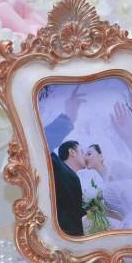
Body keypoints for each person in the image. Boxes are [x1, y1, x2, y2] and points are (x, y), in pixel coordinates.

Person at [43, 86, 87, 237]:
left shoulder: (71, 176)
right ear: (72, 152)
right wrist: (69, 116)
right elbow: (41, 144)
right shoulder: (54, 164)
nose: (85, 156)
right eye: (82, 152)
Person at [82, 141, 132, 231]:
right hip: (131, 222)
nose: (85, 158)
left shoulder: (116, 166)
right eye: (85, 155)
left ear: (101, 156)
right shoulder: (102, 186)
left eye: (89, 154)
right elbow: (118, 213)